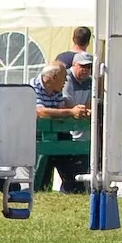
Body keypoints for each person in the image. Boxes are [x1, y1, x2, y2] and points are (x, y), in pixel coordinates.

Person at [31, 62, 90, 191]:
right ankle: (41, 187)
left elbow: (61, 109)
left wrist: (79, 112)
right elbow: (41, 112)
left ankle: (74, 187)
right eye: (64, 78)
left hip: (54, 133)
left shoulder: (55, 90)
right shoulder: (33, 88)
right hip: (36, 136)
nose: (65, 81)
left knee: (67, 145)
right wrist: (70, 112)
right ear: (53, 78)